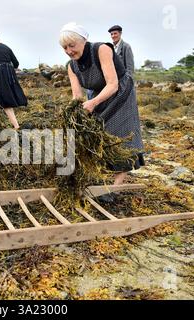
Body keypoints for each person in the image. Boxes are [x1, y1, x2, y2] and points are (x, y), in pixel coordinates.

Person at [59, 22, 145, 202]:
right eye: (65, 47)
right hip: (98, 95)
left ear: (83, 41)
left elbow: (113, 84)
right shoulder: (71, 66)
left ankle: (115, 189)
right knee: (97, 135)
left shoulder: (102, 50)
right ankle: (97, 178)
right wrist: (74, 112)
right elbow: (76, 96)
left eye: (72, 45)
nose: (68, 51)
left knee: (121, 136)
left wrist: (93, 103)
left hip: (120, 92)